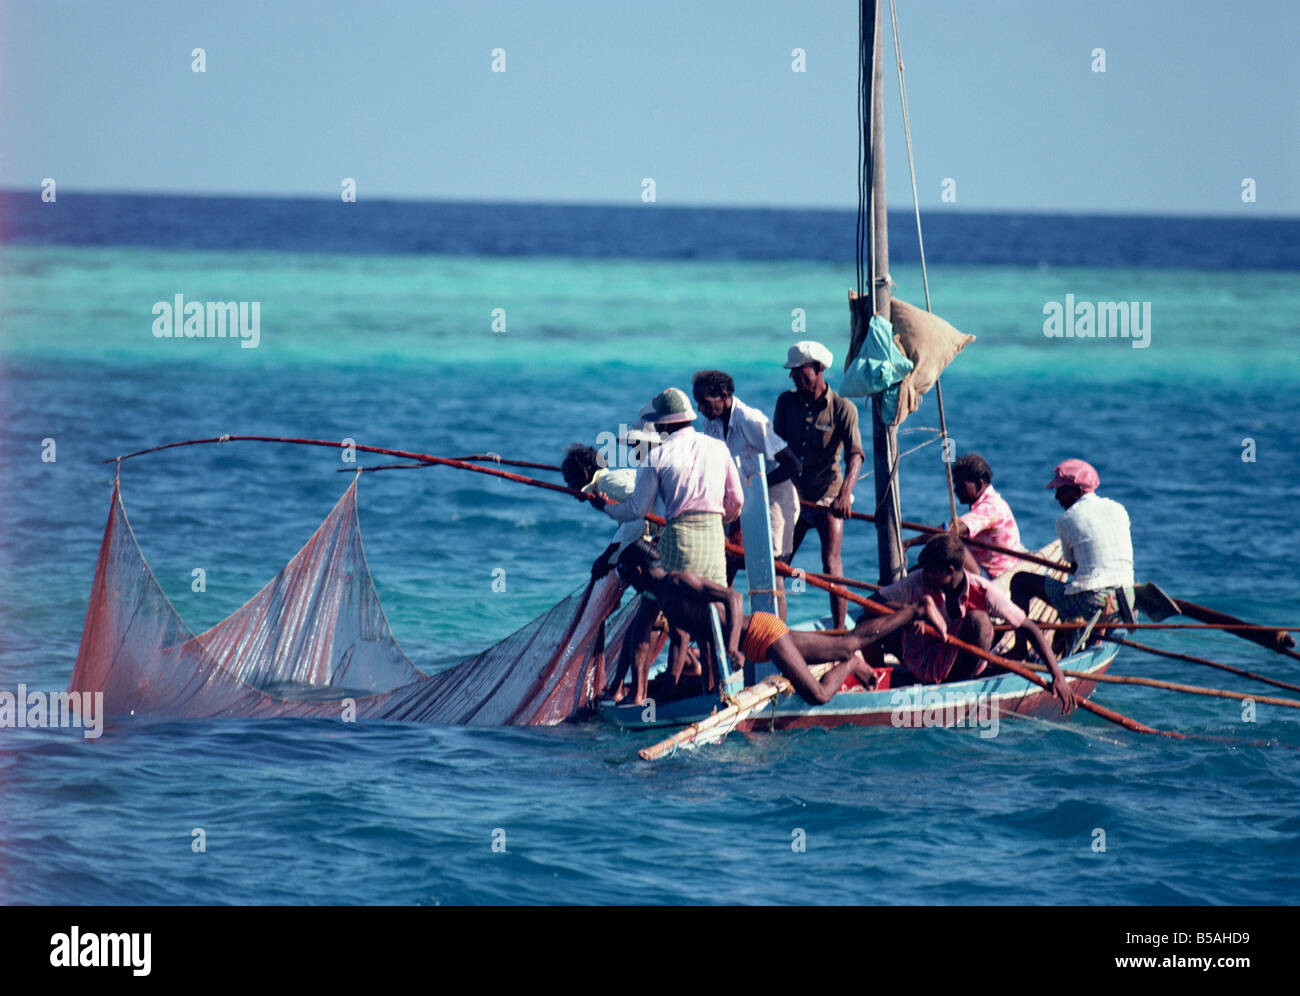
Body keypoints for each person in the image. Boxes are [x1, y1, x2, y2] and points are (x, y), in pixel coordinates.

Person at [616, 540, 935, 706]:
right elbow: (686, 634)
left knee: (820, 694)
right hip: (760, 640)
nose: (626, 582)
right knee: (845, 644)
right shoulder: (664, 600)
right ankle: (853, 658)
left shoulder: (676, 581)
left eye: (626, 575)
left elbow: (733, 599)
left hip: (762, 634)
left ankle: (909, 615)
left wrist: (730, 649)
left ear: (639, 571)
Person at [870, 533, 1077, 713]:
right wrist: (910, 612)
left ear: (949, 572)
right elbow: (874, 602)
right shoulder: (921, 579)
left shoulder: (983, 590)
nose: (925, 574)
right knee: (871, 621)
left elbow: (1028, 627)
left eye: (931, 570)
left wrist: (1057, 675)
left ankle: (958, 685)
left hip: (960, 663)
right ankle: (876, 681)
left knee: (979, 620)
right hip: (923, 654)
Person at [594, 387, 742, 587]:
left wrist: (605, 507)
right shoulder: (718, 447)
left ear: (661, 426)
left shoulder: (657, 458)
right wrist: (717, 519)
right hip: (714, 538)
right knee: (716, 594)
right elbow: (736, 500)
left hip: (679, 542)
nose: (634, 451)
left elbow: (637, 511)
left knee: (663, 595)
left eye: (636, 444)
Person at [692, 369, 802, 617]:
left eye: (705, 403)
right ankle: (726, 628)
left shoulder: (751, 420)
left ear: (724, 396)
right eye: (697, 403)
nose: (700, 409)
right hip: (740, 497)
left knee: (771, 572)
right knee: (725, 562)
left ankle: (773, 637)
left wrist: (754, 486)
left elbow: (793, 465)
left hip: (773, 496)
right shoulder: (710, 422)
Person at [772, 341, 865, 629]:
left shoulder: (842, 409)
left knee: (831, 565)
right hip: (794, 495)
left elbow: (855, 455)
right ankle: (776, 633)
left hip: (827, 496)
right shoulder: (785, 403)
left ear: (819, 369)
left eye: (800, 372)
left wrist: (844, 495)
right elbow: (775, 449)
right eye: (792, 373)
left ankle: (839, 633)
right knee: (779, 566)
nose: (794, 378)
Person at [1009, 459, 1135, 643]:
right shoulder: (1118, 508)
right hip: (1126, 597)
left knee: (1020, 580)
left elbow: (1074, 567)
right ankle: (1087, 635)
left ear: (1077, 490)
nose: (1057, 497)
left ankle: (1018, 648)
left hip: (1093, 603)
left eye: (1061, 490)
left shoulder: (1067, 520)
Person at [904, 453, 1024, 578]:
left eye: (960, 485)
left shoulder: (991, 507)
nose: (955, 490)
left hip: (994, 577)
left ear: (978, 484)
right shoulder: (990, 503)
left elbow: (951, 530)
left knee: (951, 543)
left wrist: (909, 543)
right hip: (988, 568)